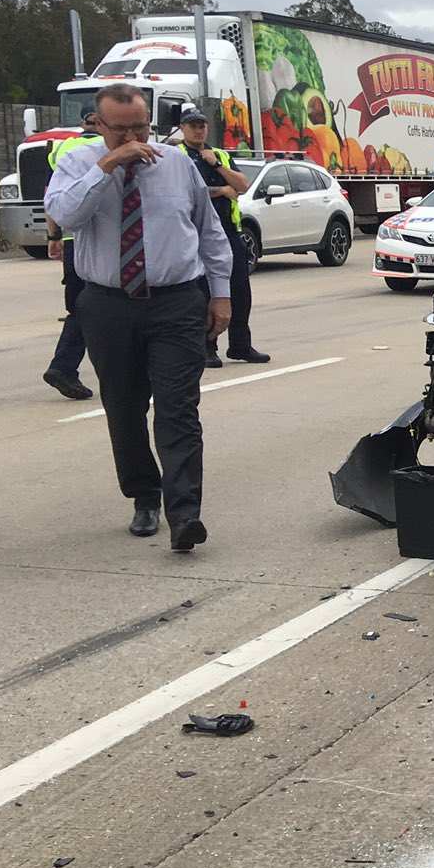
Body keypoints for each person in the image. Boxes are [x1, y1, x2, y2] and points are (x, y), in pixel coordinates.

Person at [44, 83, 233, 551]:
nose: (133, 137)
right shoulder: (77, 162)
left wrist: (221, 295)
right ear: (98, 124)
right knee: (124, 408)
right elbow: (64, 216)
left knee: (178, 408)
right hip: (108, 304)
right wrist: (107, 167)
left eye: (141, 127)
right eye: (121, 130)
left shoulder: (176, 164)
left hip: (176, 302)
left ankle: (185, 513)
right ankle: (143, 496)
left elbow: (208, 231)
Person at [175, 106, 268, 366]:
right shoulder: (177, 156)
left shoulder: (219, 155)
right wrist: (220, 191)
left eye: (202, 124)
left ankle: (240, 345)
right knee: (205, 292)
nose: (198, 129)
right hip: (194, 233)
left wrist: (215, 164)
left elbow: (242, 185)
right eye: (192, 125)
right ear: (182, 128)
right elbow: (185, 192)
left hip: (229, 231)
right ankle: (207, 346)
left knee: (240, 290)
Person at [41, 112, 101, 400]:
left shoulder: (63, 149)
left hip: (71, 239)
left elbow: (51, 195)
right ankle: (64, 366)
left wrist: (53, 235)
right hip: (98, 240)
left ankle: (64, 367)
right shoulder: (112, 145)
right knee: (96, 306)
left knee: (81, 307)